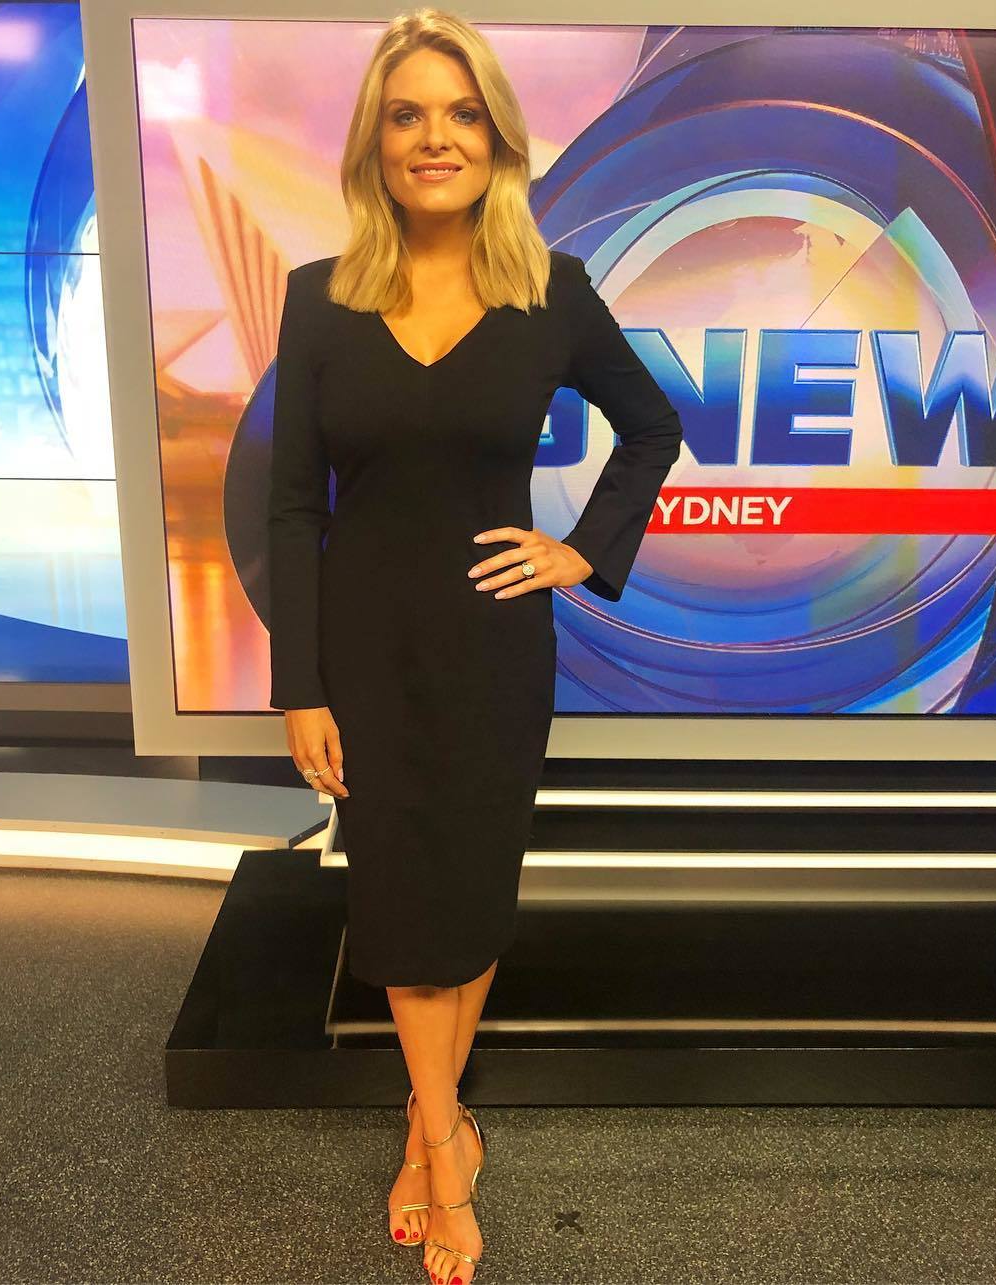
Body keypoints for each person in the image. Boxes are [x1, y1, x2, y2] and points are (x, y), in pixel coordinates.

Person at [267, 8, 683, 1282]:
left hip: (497, 647)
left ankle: (429, 1118)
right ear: (375, 143)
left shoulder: (551, 289)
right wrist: (298, 685)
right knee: (399, 897)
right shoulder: (318, 298)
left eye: (461, 113)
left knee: (470, 888)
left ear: (498, 138)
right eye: (407, 114)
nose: (434, 137)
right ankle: (446, 1143)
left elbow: (653, 428)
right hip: (366, 654)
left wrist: (581, 550)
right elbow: (290, 507)